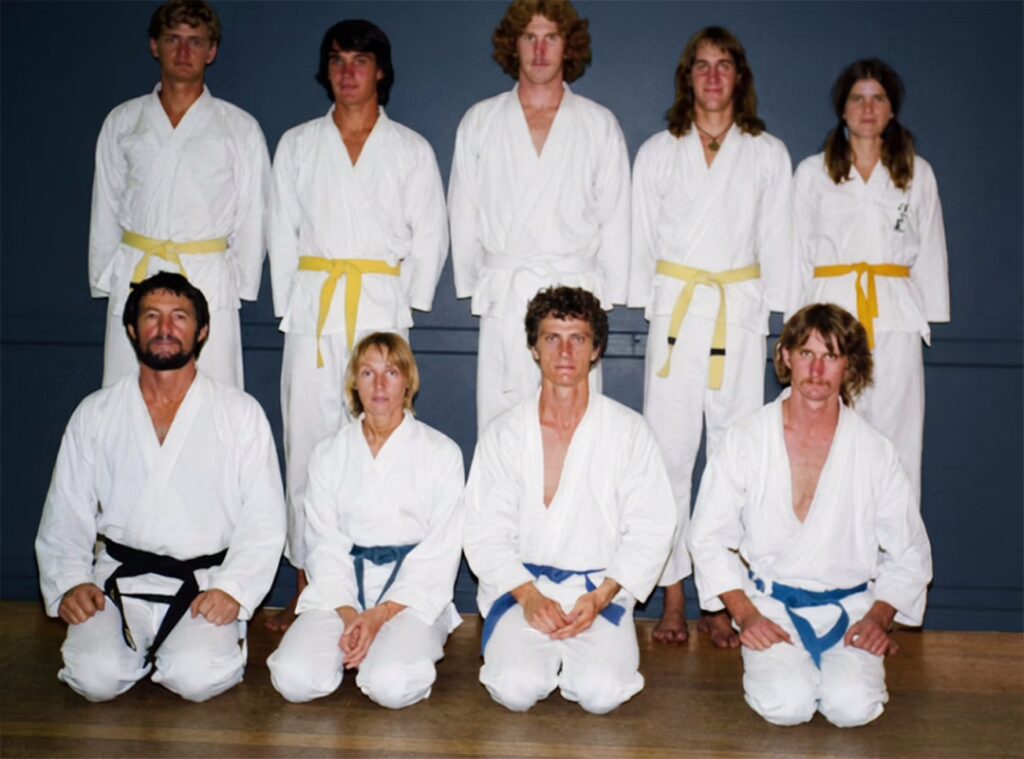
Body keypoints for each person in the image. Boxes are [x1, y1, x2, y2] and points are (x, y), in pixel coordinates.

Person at [267, 20, 448, 629]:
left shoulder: (410, 150)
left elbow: (431, 235)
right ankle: (308, 583)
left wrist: (406, 304)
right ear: (328, 71)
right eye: (338, 60)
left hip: (377, 301)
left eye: (361, 60)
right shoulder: (296, 144)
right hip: (317, 302)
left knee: (382, 436)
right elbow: (279, 231)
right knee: (307, 445)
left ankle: (388, 587)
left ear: (381, 72)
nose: (349, 72)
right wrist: (293, 303)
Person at [35, 272, 286, 703]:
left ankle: (197, 647)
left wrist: (234, 590)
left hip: (205, 582)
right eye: (151, 316)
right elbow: (66, 511)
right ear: (132, 330)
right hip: (116, 580)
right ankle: (130, 649)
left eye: (179, 317)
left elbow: (264, 520)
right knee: (95, 680)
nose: (165, 329)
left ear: (202, 331)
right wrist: (70, 582)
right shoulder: (96, 413)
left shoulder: (240, 414)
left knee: (195, 679)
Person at [687, 303, 932, 727]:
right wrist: (745, 614)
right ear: (785, 356)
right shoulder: (746, 439)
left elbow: (909, 550)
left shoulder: (874, 451)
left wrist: (878, 617)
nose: (817, 370)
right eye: (806, 353)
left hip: (852, 607)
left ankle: (846, 671)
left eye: (831, 356)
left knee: (852, 709)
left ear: (848, 365)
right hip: (770, 604)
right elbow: (707, 536)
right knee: (786, 705)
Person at [629, 26, 793, 646]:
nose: (714, 76)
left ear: (740, 77)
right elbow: (640, 241)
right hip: (677, 313)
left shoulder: (767, 154)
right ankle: (673, 595)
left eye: (725, 65)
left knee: (734, 461)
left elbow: (780, 242)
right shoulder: (657, 151)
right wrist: (645, 301)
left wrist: (783, 320)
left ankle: (722, 601)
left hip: (741, 315)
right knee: (668, 458)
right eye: (702, 66)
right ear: (687, 77)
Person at [463, 287, 675, 714]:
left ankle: (585, 659)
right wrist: (529, 596)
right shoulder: (504, 433)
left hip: (596, 593)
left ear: (596, 349)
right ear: (534, 348)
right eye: (551, 338)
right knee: (515, 690)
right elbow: (483, 529)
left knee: (602, 694)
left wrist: (602, 596)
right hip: (524, 589)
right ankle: (536, 659)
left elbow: (653, 526)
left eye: (577, 338)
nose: (564, 351)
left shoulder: (627, 431)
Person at [449, 0, 631, 434]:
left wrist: (606, 293)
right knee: (500, 425)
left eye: (551, 37)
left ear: (568, 46)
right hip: (507, 293)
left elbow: (616, 217)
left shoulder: (598, 124)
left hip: (573, 299)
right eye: (530, 37)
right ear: (514, 45)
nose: (540, 49)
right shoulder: (481, 121)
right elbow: (463, 213)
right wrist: (479, 285)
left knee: (576, 424)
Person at [267, 333, 464, 708]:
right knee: (293, 678)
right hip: (340, 587)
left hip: (410, 596)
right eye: (368, 373)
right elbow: (322, 542)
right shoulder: (329, 453)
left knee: (391, 685)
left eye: (391, 372)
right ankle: (351, 649)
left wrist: (378, 617)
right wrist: (348, 613)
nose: (379, 385)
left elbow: (440, 550)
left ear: (408, 380)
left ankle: (382, 651)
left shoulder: (441, 453)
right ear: (354, 382)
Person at [89, 0, 270, 389]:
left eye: (195, 41)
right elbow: (105, 207)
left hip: (206, 275)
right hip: (138, 269)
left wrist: (236, 281)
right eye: (173, 39)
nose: (184, 51)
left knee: (215, 396)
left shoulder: (238, 128)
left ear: (212, 50)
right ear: (155, 46)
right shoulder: (123, 122)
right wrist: (107, 275)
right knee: (128, 393)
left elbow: (253, 216)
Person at [791, 58, 949, 501]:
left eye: (878, 98)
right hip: (831, 316)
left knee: (899, 439)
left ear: (892, 110)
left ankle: (898, 564)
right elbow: (798, 251)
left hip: (895, 315)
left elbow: (931, 250)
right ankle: (833, 557)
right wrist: (798, 325)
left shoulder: (916, 173)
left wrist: (930, 312)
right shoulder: (812, 173)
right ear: (842, 110)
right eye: (857, 98)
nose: (867, 107)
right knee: (832, 432)